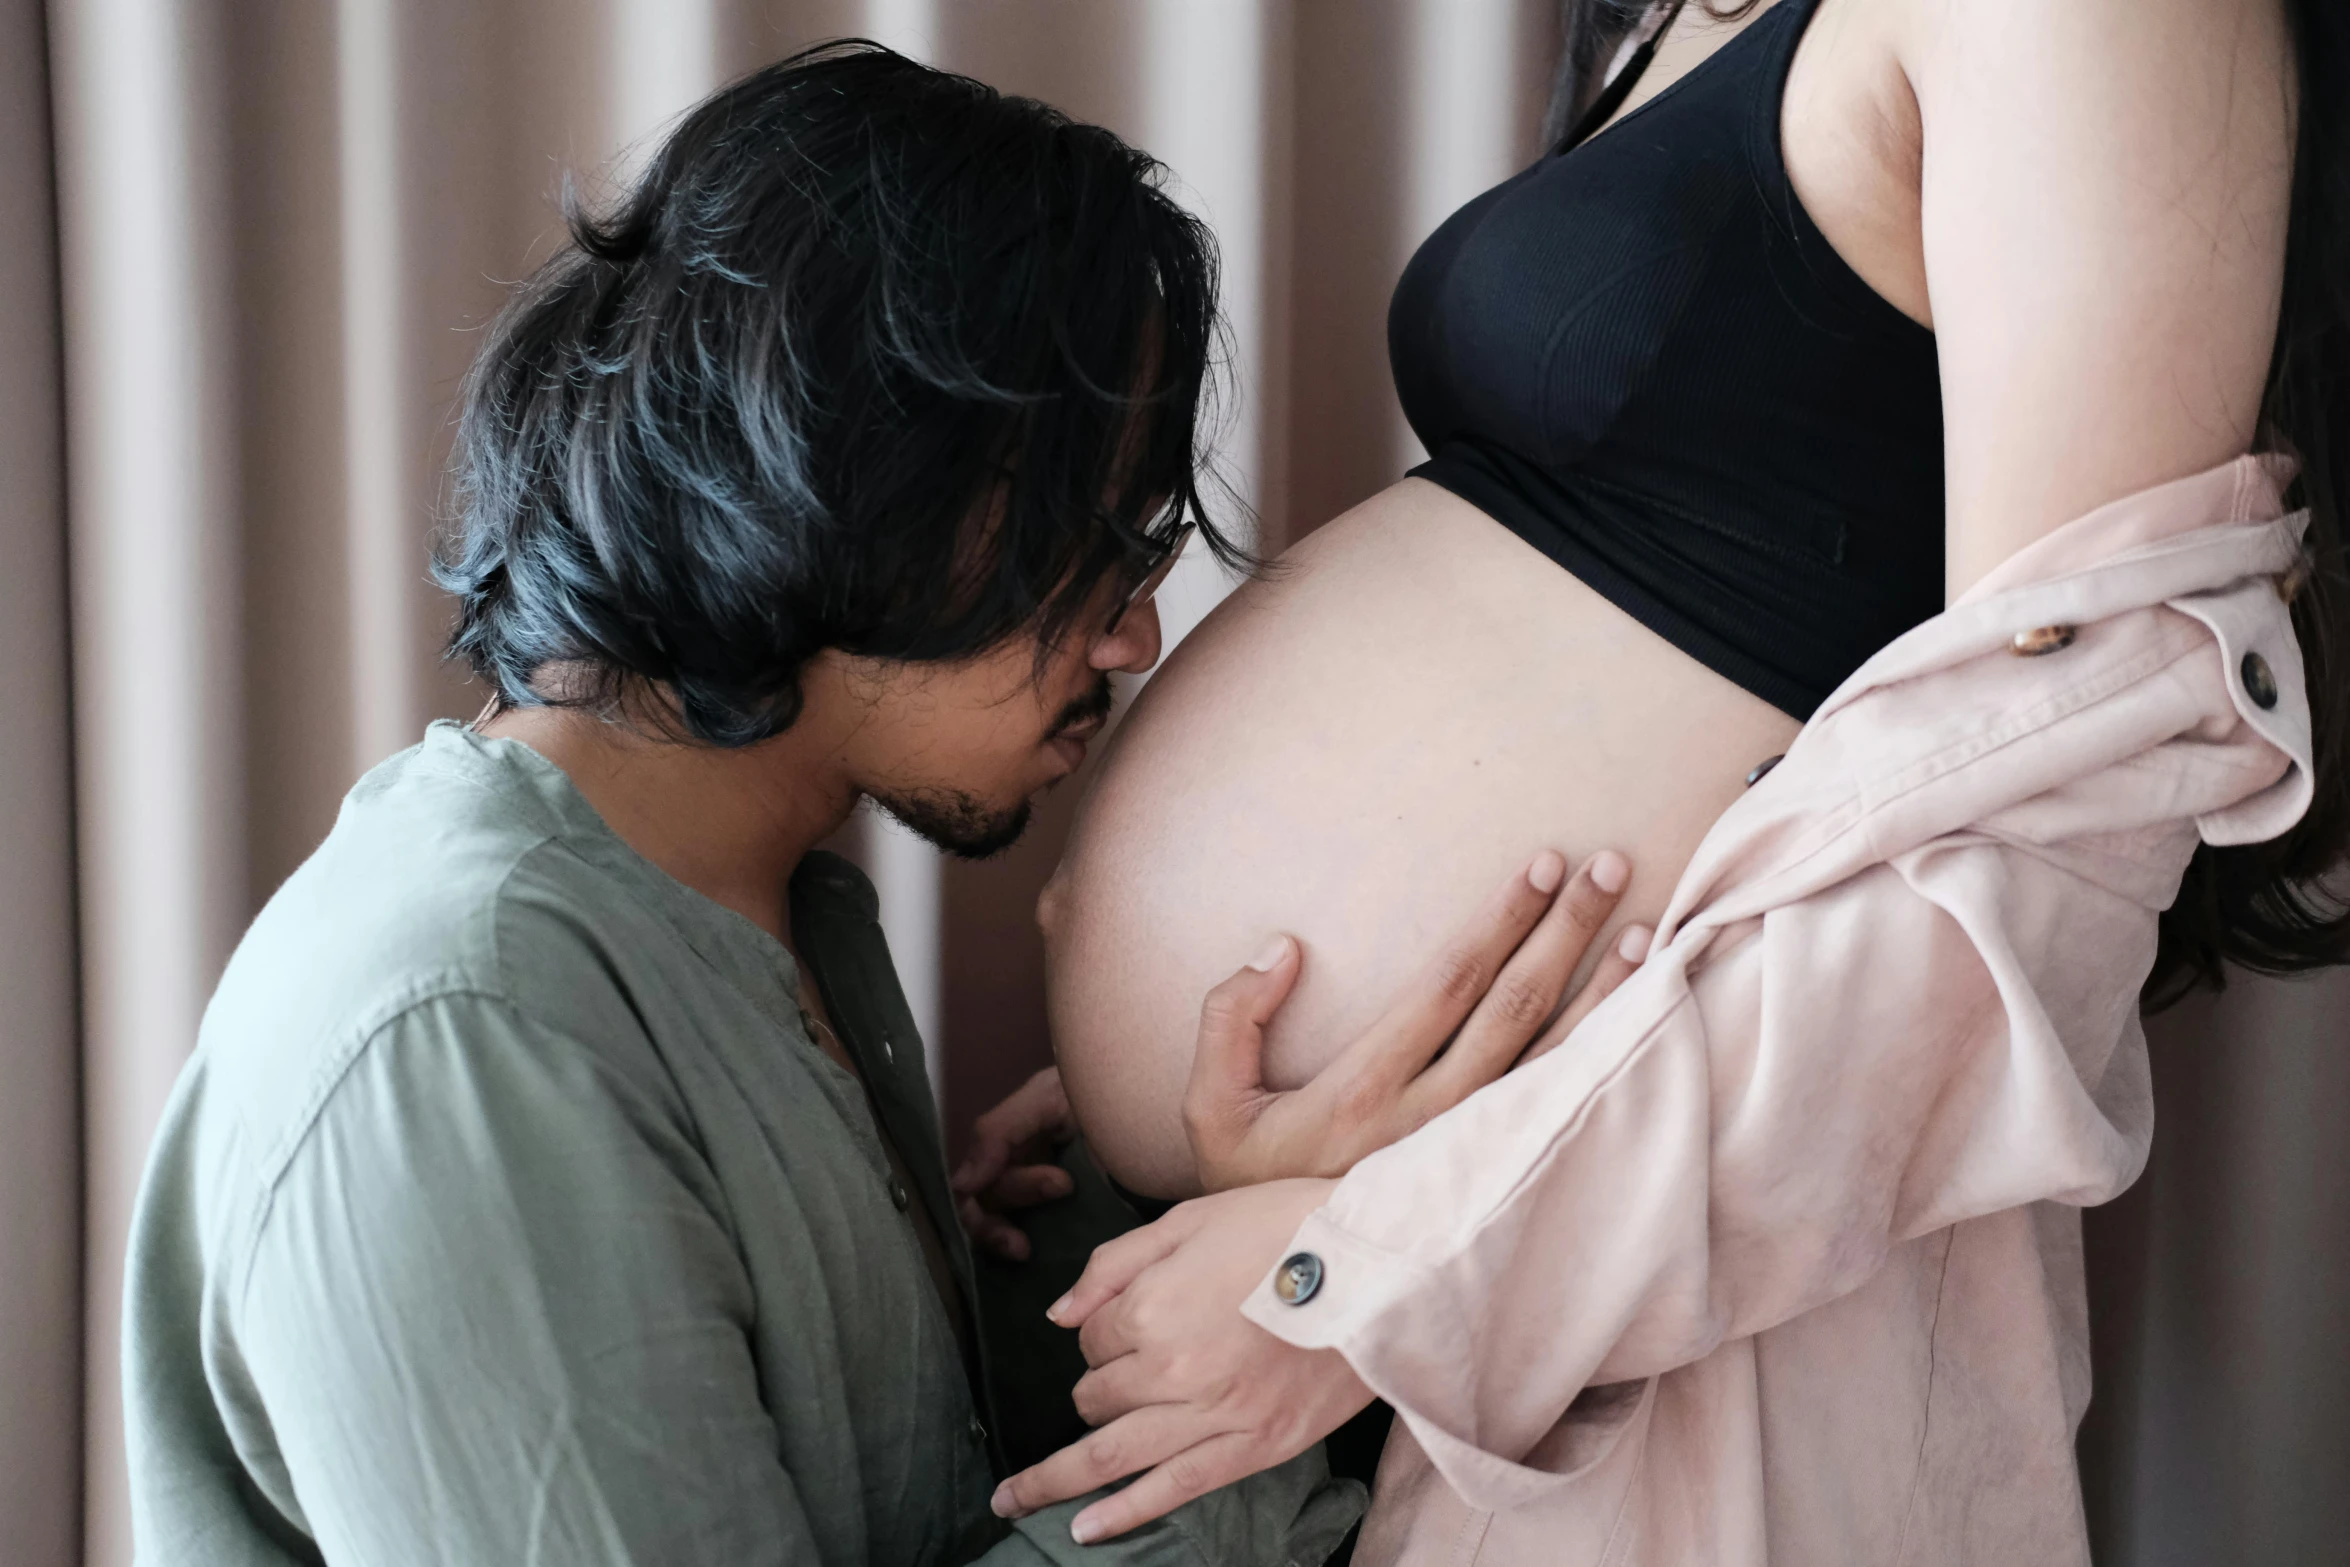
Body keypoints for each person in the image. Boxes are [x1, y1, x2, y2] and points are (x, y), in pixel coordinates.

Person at [117, 43, 1649, 1567]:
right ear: (864, 473)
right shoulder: (459, 1032)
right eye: (1100, 529)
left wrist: (1133, 1237)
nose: (1131, 632)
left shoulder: (765, 921)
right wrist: (1290, 1320)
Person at [1002, 0, 2348, 1558]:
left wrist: (1389, 1273)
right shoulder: (1681, 18)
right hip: (1365, 1258)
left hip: (1622, 1333)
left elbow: (2057, 824)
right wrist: (1202, 1059)